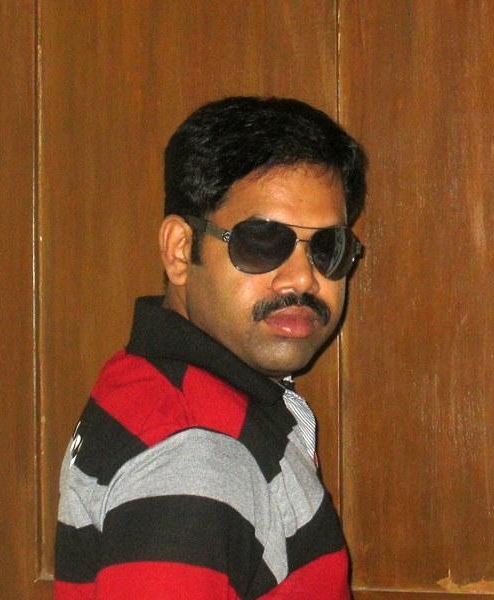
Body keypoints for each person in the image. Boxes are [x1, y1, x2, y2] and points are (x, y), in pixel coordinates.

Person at [54, 96, 366, 599]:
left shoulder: (161, 383)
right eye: (261, 241)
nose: (304, 279)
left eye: (328, 247)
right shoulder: (194, 453)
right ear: (181, 250)